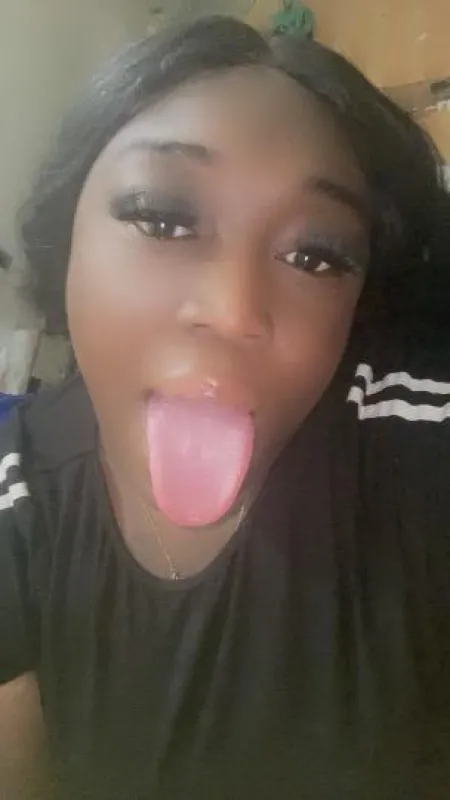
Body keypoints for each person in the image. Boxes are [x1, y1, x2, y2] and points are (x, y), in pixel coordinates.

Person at [1, 15, 450, 799]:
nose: (236, 309)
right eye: (163, 218)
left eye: (315, 255)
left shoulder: (416, 454)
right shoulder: (18, 506)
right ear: (65, 239)